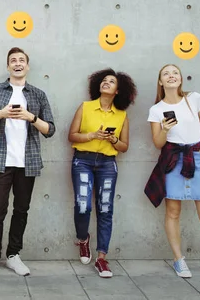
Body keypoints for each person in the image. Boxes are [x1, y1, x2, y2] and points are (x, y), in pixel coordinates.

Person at [145, 64, 200, 279]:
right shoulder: (156, 109)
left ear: (181, 78)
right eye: (166, 73)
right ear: (160, 82)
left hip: (199, 157)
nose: (171, 76)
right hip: (172, 160)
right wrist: (165, 129)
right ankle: (179, 260)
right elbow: (158, 143)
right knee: (173, 212)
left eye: (175, 72)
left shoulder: (193, 98)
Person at [0, 47, 55, 278]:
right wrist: (2, 114)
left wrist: (31, 117)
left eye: (22, 60)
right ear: (8, 66)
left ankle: (13, 255)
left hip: (27, 162)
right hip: (2, 160)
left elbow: (50, 129)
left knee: (21, 210)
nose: (18, 63)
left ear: (27, 66)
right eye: (13, 60)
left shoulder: (38, 95)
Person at [67, 68, 136, 278]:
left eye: (111, 81)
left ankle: (102, 259)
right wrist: (91, 135)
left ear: (118, 90)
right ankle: (82, 238)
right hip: (83, 161)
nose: (106, 83)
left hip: (107, 163)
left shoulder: (122, 115)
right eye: (104, 80)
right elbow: (71, 136)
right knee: (83, 205)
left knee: (105, 209)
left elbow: (124, 147)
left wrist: (114, 140)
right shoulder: (86, 107)